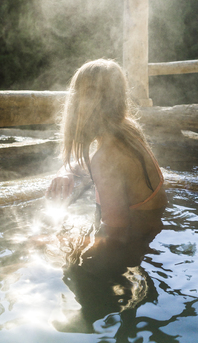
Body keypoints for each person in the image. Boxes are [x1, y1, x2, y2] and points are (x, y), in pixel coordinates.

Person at [46, 58, 167, 233]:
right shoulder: (127, 129)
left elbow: (114, 233)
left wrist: (70, 243)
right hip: (150, 232)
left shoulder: (105, 158)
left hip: (132, 243)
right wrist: (65, 171)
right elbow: (89, 165)